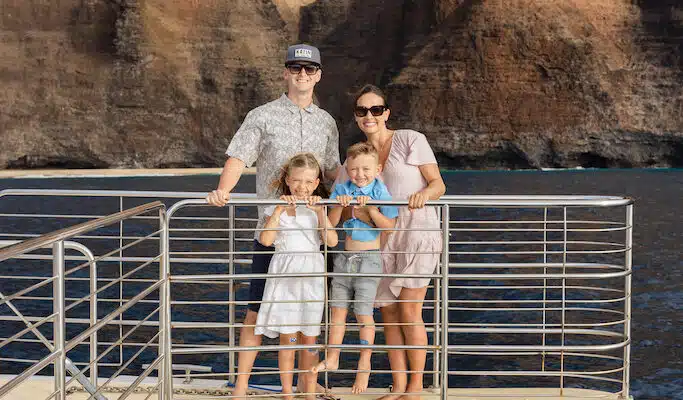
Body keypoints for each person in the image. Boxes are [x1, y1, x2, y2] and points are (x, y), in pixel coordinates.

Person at [205, 43, 340, 398]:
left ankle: (308, 385)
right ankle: (242, 386)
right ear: (285, 73)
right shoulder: (262, 115)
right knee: (255, 310)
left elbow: (333, 170)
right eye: (295, 69)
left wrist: (361, 190)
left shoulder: (327, 122)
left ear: (319, 75)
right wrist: (222, 190)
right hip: (273, 231)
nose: (302, 75)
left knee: (310, 315)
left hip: (311, 235)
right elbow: (239, 156)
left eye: (309, 70)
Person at [349, 84, 446, 400]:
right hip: (383, 241)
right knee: (388, 312)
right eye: (363, 110)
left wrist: (423, 194)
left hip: (418, 234)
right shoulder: (361, 156)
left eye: (376, 109)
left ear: (386, 113)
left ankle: (415, 388)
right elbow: (345, 189)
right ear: (356, 117)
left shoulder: (410, 140)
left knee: (409, 309)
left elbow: (438, 184)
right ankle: (399, 386)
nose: (369, 115)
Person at [311, 142, 398, 394]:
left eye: (365, 169)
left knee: (362, 314)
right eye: (354, 169)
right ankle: (333, 356)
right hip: (344, 258)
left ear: (378, 168)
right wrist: (340, 204)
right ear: (347, 169)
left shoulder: (381, 192)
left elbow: (388, 227)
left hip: (368, 259)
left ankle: (364, 363)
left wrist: (369, 209)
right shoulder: (342, 188)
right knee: (337, 312)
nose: (359, 174)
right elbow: (332, 223)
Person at [256, 153, 338, 400]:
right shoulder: (276, 208)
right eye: (297, 181)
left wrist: (321, 212)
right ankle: (287, 393)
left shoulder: (318, 209)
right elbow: (266, 240)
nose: (302, 187)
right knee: (289, 337)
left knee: (310, 338)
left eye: (308, 182)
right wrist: (279, 210)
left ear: (315, 183)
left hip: (311, 278)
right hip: (285, 278)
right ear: (288, 181)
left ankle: (310, 393)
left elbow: (332, 241)